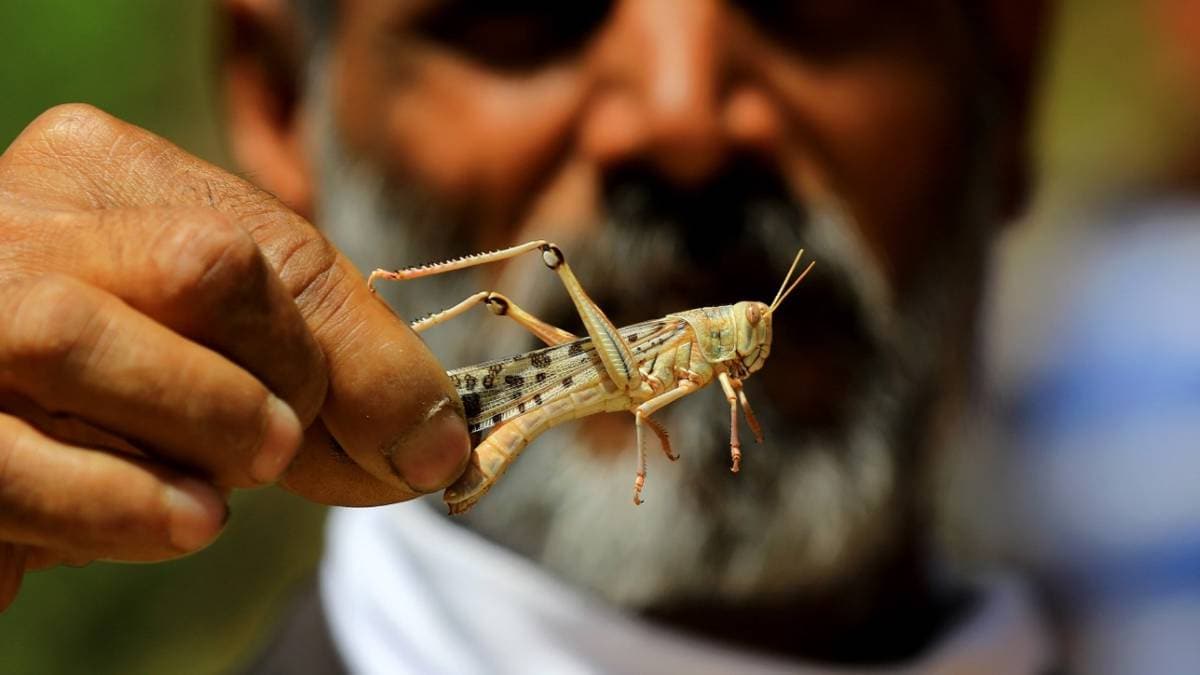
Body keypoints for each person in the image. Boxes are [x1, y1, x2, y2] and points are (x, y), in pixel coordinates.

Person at [0, 0, 1052, 671]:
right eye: (517, 14)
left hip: (606, 383)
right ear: (282, 103)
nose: (683, 119)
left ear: (1010, 82)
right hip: (568, 377)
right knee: (533, 296)